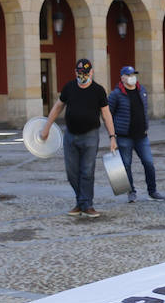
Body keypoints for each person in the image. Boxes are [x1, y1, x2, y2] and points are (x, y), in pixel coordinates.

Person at [40, 58, 117, 217]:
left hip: (90, 136)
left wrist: (112, 137)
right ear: (76, 72)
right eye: (80, 73)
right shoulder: (69, 87)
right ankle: (81, 201)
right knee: (72, 172)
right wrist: (46, 127)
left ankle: (86, 204)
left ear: (92, 72)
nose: (83, 76)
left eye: (86, 73)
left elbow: (106, 114)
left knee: (87, 171)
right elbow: (57, 107)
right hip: (70, 135)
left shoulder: (98, 90)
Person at [107, 65, 165, 202]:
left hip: (142, 136)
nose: (132, 77)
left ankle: (153, 191)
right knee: (126, 165)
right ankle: (131, 191)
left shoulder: (142, 90)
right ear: (122, 78)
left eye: (133, 74)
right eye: (129, 75)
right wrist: (112, 135)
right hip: (124, 137)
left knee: (149, 163)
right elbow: (108, 114)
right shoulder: (116, 94)